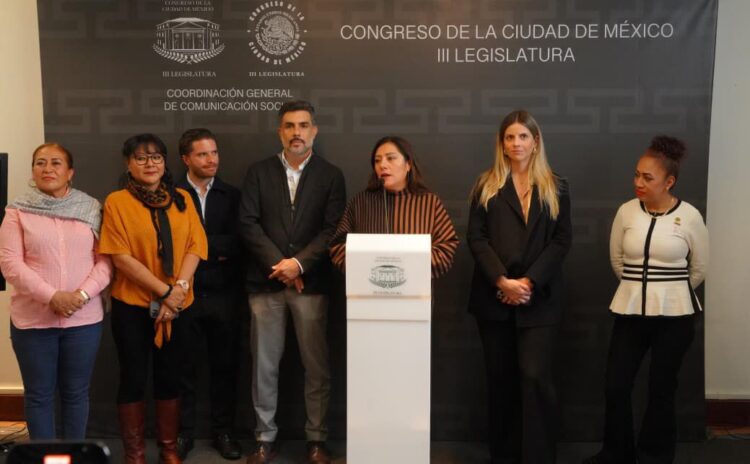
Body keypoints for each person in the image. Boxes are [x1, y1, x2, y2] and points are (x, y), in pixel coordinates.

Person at [583, 136, 709, 464]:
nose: (638, 182)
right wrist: (638, 290)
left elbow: (699, 268)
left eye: (647, 177)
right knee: (616, 384)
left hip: (675, 318)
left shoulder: (690, 216)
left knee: (661, 387)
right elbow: (617, 260)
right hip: (630, 313)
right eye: (636, 174)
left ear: (669, 182)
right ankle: (616, 453)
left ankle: (655, 455)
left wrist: (668, 292)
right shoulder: (626, 212)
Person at [239, 100, 346, 464]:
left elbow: (333, 229)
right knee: (263, 366)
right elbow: (248, 223)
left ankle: (316, 439)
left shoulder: (331, 175)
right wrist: (280, 266)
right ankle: (264, 438)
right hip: (265, 283)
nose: (296, 132)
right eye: (289, 126)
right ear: (280, 131)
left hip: (311, 285)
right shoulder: (258, 172)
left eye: (303, 125)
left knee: (316, 367)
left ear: (314, 130)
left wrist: (299, 265)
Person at [467, 110, 572, 464]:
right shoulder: (485, 185)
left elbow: (561, 241)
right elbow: (476, 238)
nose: (516, 143)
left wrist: (528, 283)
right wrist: (501, 280)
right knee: (501, 382)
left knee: (535, 378)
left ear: (536, 141)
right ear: (501, 144)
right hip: (493, 297)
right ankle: (504, 457)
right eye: (509, 137)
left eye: (523, 136)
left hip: (539, 298)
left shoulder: (557, 186)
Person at [99, 134, 207, 464]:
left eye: (156, 157)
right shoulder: (117, 202)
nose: (150, 164)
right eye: (141, 158)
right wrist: (165, 293)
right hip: (133, 305)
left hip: (179, 305)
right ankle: (134, 453)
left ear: (165, 162)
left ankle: (168, 448)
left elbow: (196, 246)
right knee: (132, 377)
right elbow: (120, 256)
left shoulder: (182, 198)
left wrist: (179, 290)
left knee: (170, 375)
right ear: (128, 164)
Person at [0, 142, 112, 440]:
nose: (47, 168)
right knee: (39, 395)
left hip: (84, 321)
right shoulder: (17, 211)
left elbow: (105, 261)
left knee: (77, 393)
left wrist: (81, 296)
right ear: (32, 171)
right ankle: (44, 457)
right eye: (40, 163)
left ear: (70, 172)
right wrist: (53, 297)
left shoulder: (91, 208)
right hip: (33, 321)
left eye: (55, 163)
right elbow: (10, 263)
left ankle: (73, 455)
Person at [174, 128, 243, 461]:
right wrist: (213, 249)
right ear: (186, 158)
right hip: (182, 295)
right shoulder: (171, 194)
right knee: (182, 369)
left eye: (214, 152)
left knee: (224, 368)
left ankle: (223, 432)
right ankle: (183, 433)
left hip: (224, 294)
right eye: (202, 154)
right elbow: (171, 245)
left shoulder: (233, 195)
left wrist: (197, 248)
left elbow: (239, 242)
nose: (211, 159)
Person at [329, 135, 458, 277]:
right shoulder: (360, 203)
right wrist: (368, 267)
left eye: (391, 158)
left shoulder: (429, 203)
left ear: (408, 164)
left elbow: (446, 248)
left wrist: (405, 267)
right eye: (377, 160)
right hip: (370, 285)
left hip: (414, 287)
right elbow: (338, 245)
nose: (382, 165)